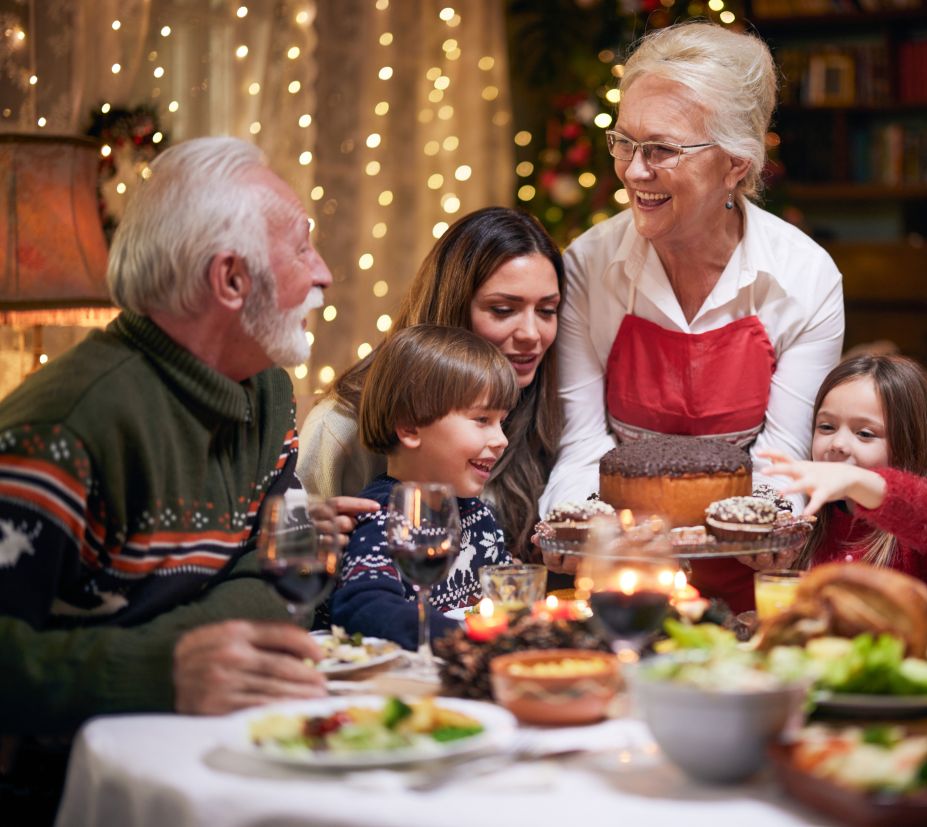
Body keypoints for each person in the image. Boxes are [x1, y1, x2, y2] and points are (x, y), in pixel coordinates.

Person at [0, 137, 371, 819]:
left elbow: (288, 574)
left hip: (210, 747)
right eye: (301, 248)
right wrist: (164, 665)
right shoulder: (67, 426)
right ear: (230, 279)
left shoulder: (269, 396)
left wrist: (212, 648)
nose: (324, 273)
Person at [538, 22, 846, 610]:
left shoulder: (804, 279)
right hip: (616, 579)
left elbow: (780, 459)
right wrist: (576, 531)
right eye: (624, 142)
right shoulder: (588, 264)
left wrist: (762, 533)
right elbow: (582, 444)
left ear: (735, 163)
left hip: (750, 584)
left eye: (662, 149)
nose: (632, 171)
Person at [300, 207, 562, 564]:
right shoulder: (340, 426)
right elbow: (293, 554)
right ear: (452, 305)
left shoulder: (538, 408)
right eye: (502, 310)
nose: (532, 334)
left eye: (547, 311)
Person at [330, 325, 517, 649]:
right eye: (482, 419)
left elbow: (499, 596)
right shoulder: (382, 519)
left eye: (502, 421)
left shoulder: (480, 516)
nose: (501, 440)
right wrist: (470, 638)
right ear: (409, 427)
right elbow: (364, 609)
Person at [761, 355, 927, 614]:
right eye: (827, 426)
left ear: (909, 444)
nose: (838, 444)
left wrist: (857, 481)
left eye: (865, 433)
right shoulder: (811, 516)